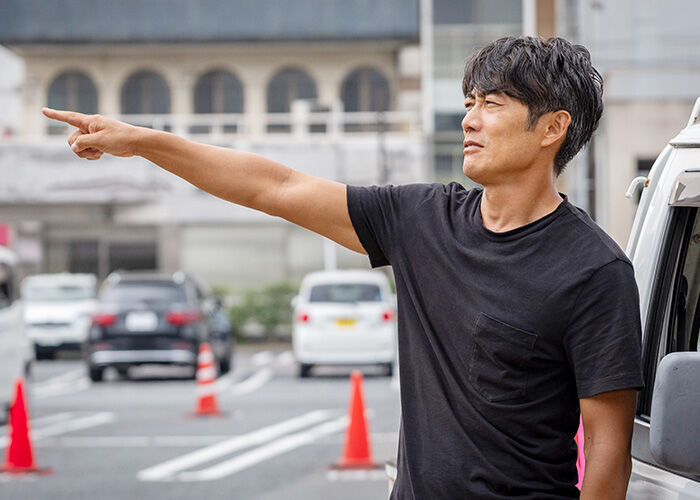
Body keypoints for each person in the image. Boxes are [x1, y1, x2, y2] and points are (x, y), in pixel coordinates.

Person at [43, 36, 643, 499]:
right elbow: (275, 187)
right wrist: (143, 142)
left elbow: (608, 453)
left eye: (492, 104)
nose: (469, 120)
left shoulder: (593, 270)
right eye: (469, 104)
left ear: (553, 127)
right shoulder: (422, 220)